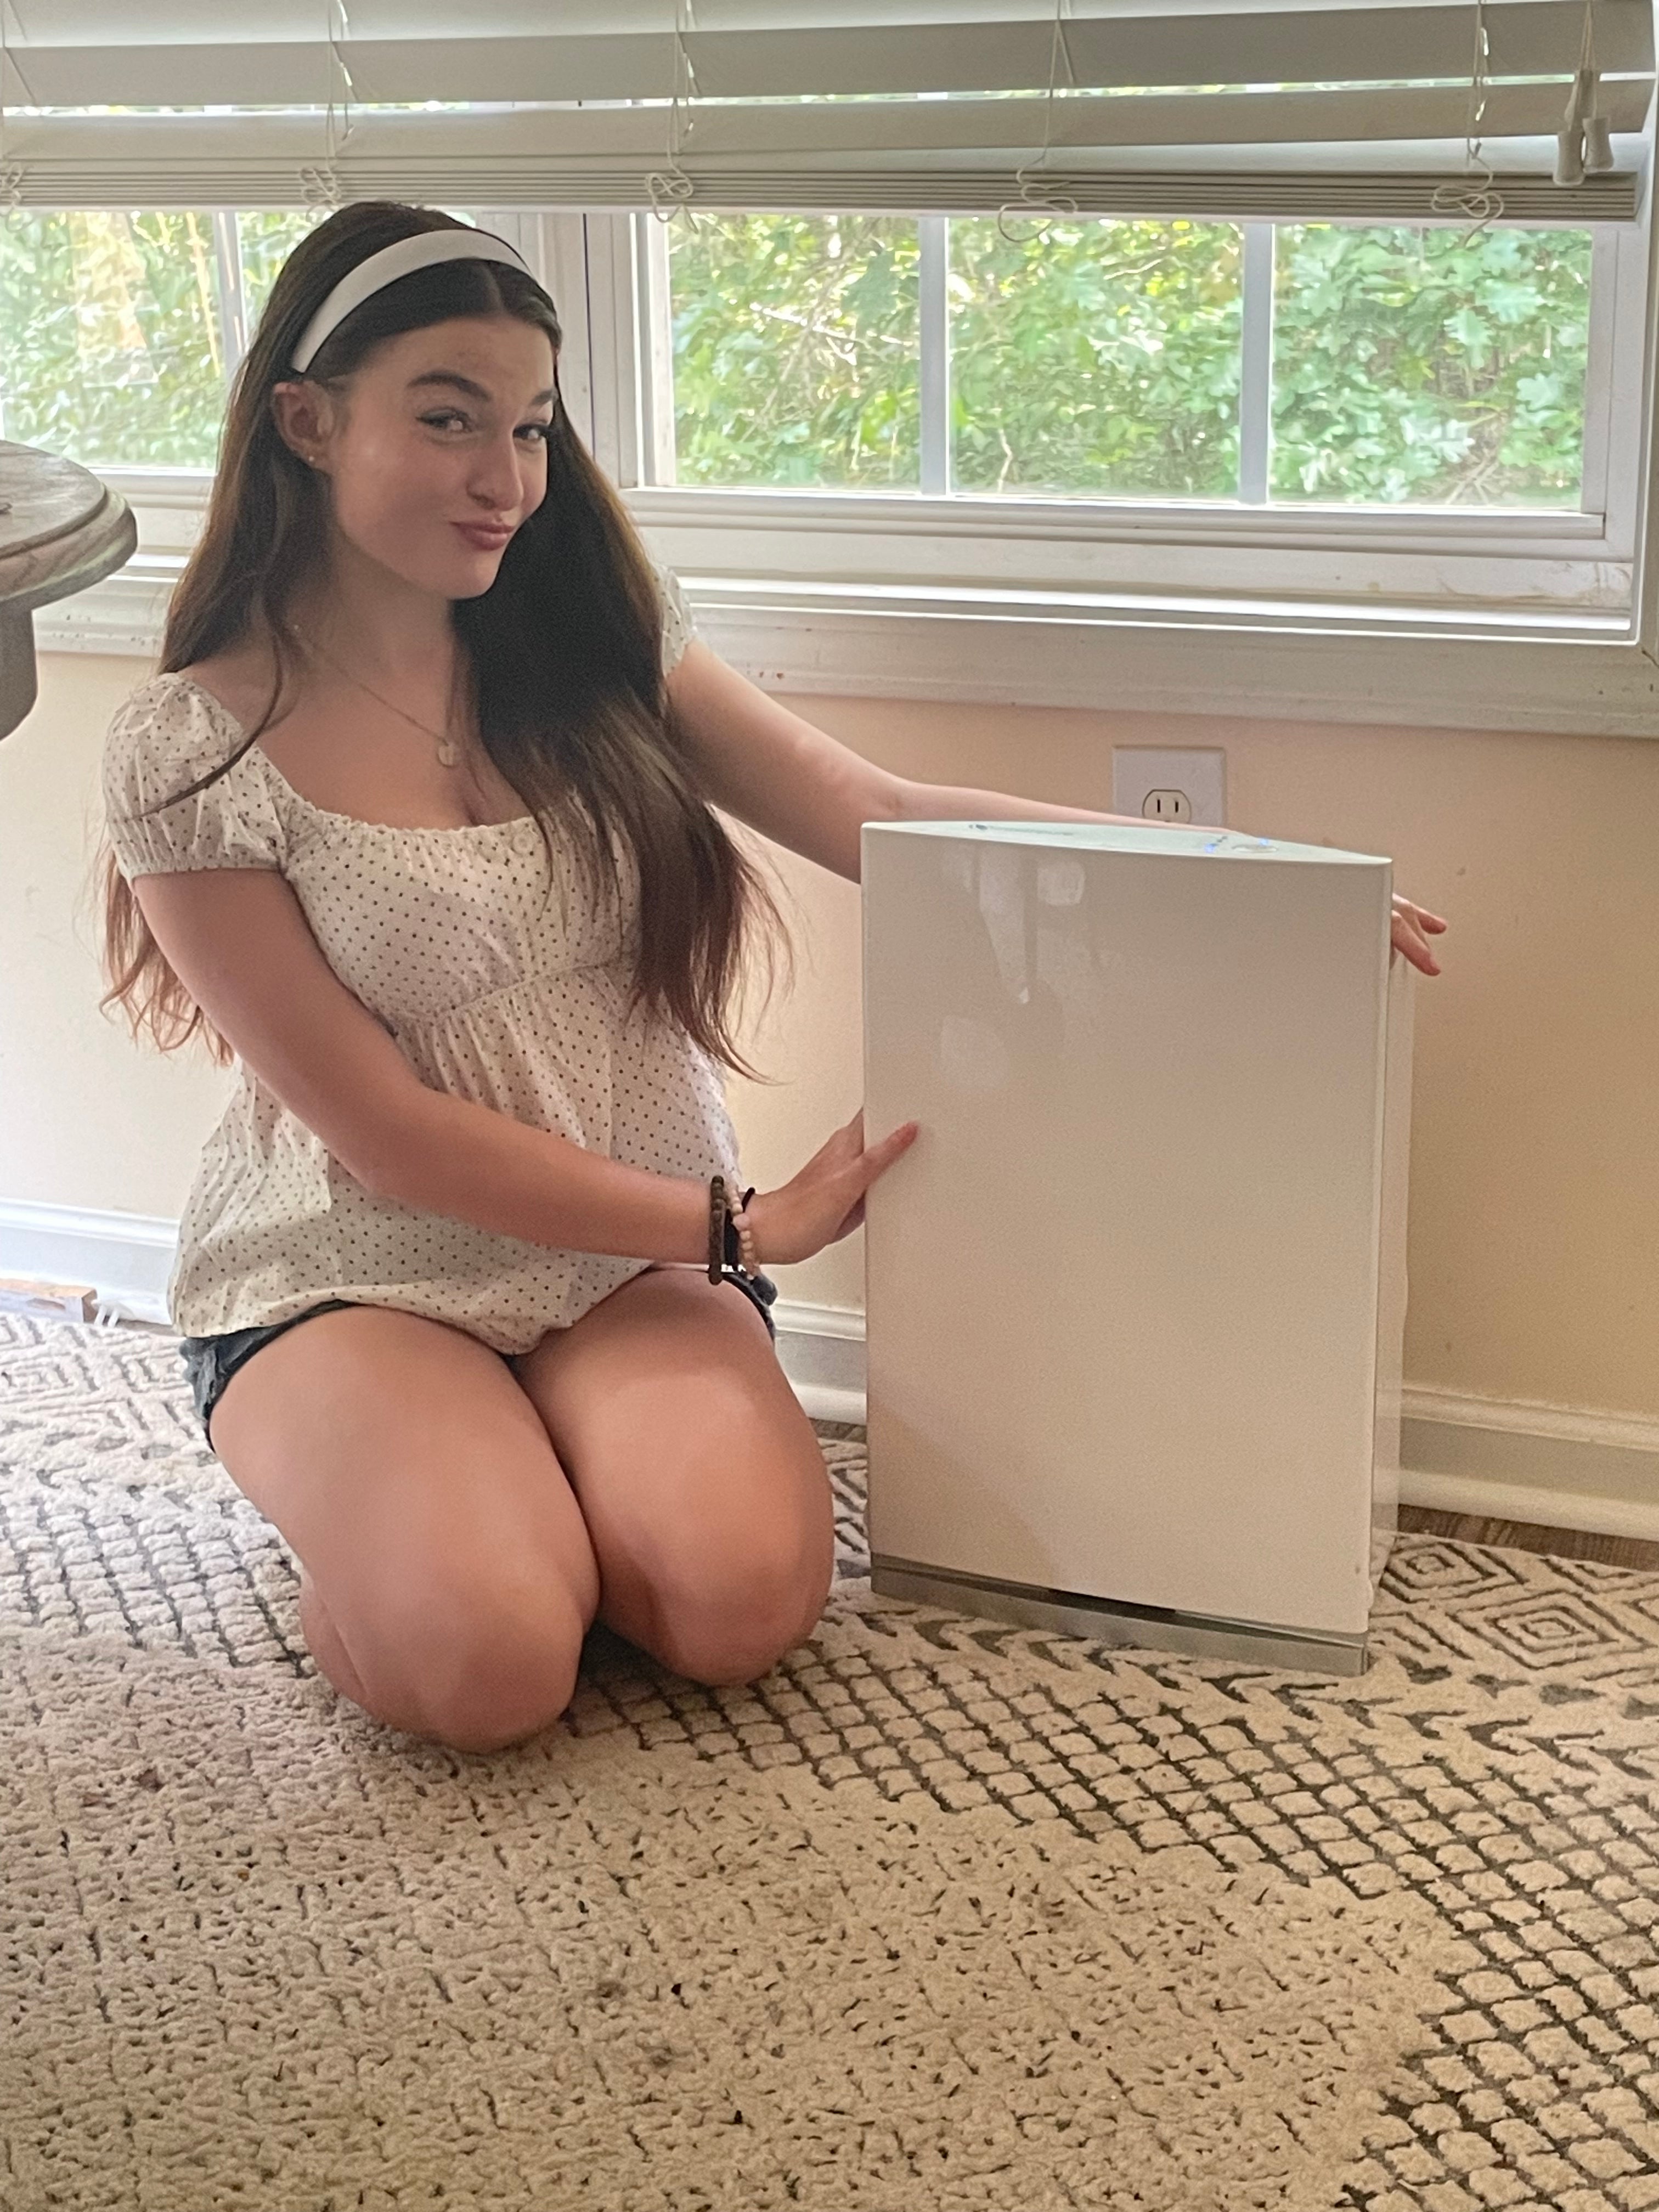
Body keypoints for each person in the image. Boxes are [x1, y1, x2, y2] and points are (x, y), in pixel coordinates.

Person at [97, 201, 1448, 1759]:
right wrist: (744, 1227)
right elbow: (386, 1132)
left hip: (622, 1267)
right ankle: (412, 1529)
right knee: (490, 1670)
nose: (505, 480)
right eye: (448, 417)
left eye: (531, 428)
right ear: (307, 421)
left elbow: (880, 813)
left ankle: (521, 1490)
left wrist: (1262, 884)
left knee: (740, 1612)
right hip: (356, 1270)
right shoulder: (196, 749)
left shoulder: (597, 646)